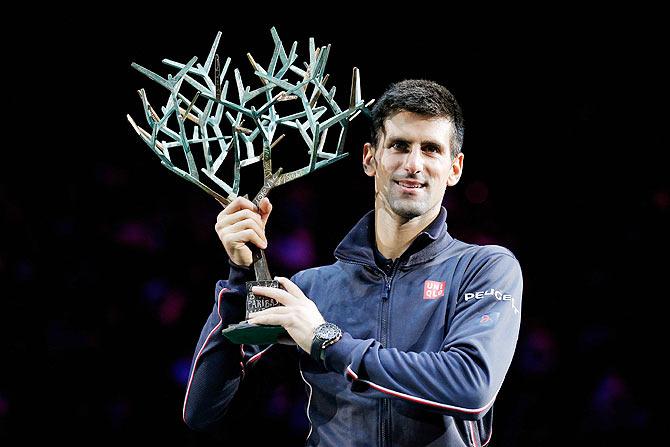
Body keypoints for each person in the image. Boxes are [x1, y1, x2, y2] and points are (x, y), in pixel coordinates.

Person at [182, 79, 523, 446]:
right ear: (369, 159)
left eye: (431, 149)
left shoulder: (483, 269)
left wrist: (327, 341)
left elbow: (471, 386)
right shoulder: (311, 290)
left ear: (454, 169)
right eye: (399, 146)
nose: (413, 164)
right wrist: (239, 277)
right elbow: (204, 411)